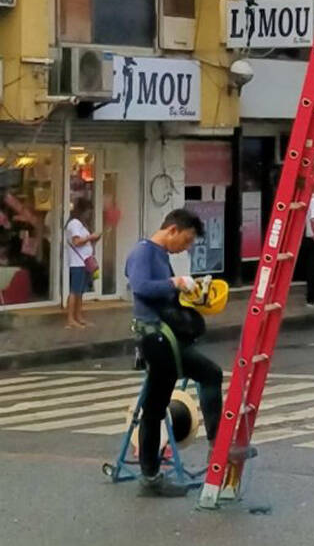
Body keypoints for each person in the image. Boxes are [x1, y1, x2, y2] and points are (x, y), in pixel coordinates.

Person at [125, 208, 223, 497]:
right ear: (172, 230)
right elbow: (141, 287)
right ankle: (152, 475)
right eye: (187, 240)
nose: (187, 247)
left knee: (203, 378)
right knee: (156, 406)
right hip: (155, 337)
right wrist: (175, 282)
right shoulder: (143, 252)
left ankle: (212, 447)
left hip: (165, 336)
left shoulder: (160, 255)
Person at [65, 197, 101, 329]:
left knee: (80, 291)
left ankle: (79, 317)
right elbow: (76, 241)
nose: (89, 214)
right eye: (88, 211)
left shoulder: (80, 224)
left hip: (84, 262)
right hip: (77, 263)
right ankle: (70, 319)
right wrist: (91, 237)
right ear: (82, 211)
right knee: (74, 291)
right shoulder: (74, 223)